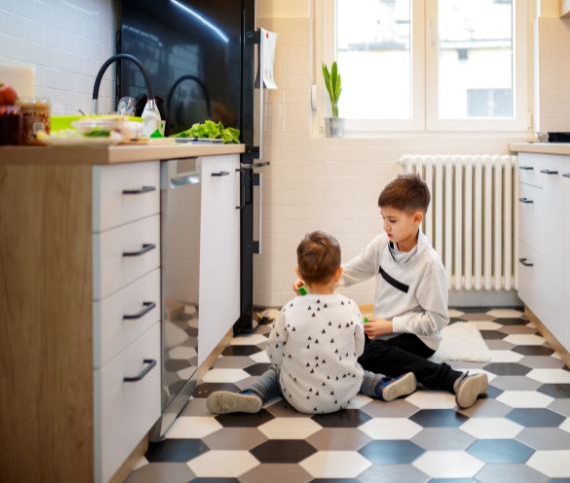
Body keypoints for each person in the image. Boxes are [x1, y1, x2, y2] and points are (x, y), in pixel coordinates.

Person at [295, 174, 488, 408]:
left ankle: (454, 379)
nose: (386, 225)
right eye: (383, 218)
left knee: (369, 353)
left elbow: (436, 321)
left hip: (418, 339)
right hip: (385, 332)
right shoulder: (381, 245)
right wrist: (312, 280)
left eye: (393, 220)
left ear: (417, 218)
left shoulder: (430, 265)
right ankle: (395, 380)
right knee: (344, 340)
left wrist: (391, 325)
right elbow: (349, 272)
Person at [207, 231, 416, 415]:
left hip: (299, 398)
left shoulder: (289, 310)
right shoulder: (351, 308)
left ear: (298, 273)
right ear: (338, 273)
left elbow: (274, 353)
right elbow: (358, 350)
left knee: (275, 372)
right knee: (355, 370)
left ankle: (253, 393)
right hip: (343, 396)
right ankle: (381, 385)